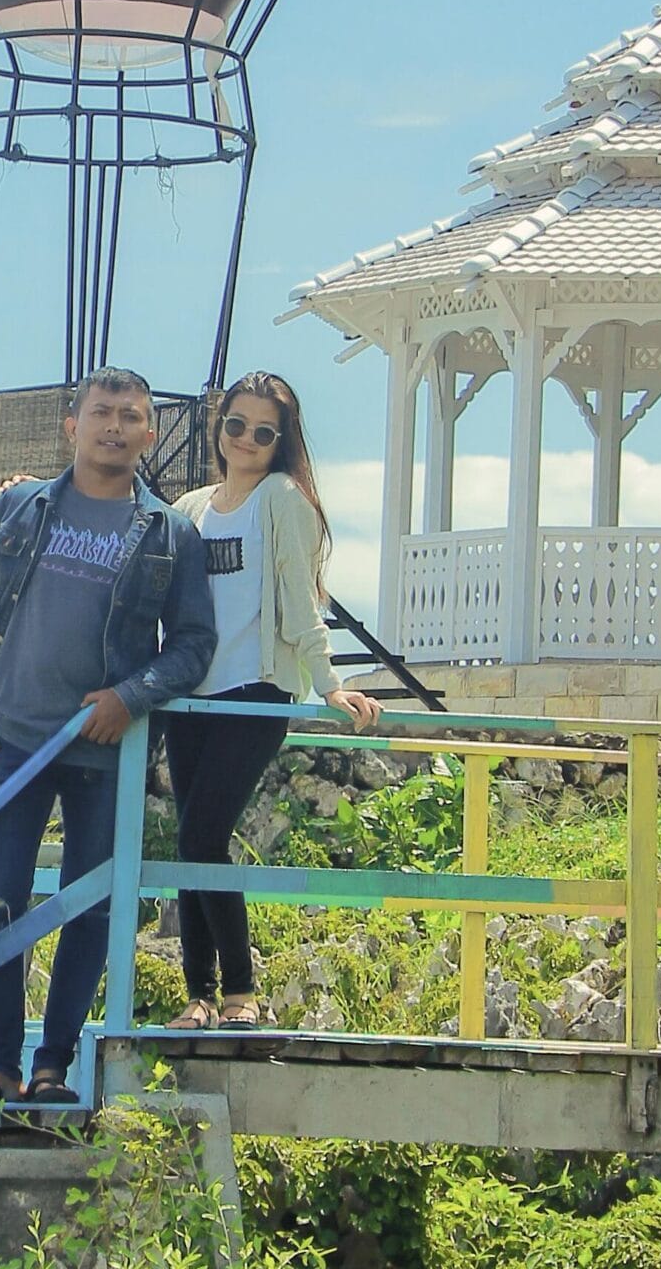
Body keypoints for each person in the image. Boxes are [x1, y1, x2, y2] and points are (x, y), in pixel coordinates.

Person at [0, 366, 215, 1107]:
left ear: (149, 433)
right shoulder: (17, 511)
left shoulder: (169, 533)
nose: (114, 426)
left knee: (90, 907)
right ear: (72, 426)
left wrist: (131, 695)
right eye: (101, 412)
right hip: (10, 743)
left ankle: (52, 1066)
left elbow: (191, 644)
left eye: (130, 415)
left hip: (103, 754)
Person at [168, 372, 381, 1028]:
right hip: (190, 698)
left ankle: (241, 992)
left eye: (265, 432)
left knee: (205, 833)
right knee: (188, 843)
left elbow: (300, 604)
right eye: (237, 425)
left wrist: (331, 683)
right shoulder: (191, 508)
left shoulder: (283, 499)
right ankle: (198, 997)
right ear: (220, 426)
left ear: (281, 440)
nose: (248, 440)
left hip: (255, 693)